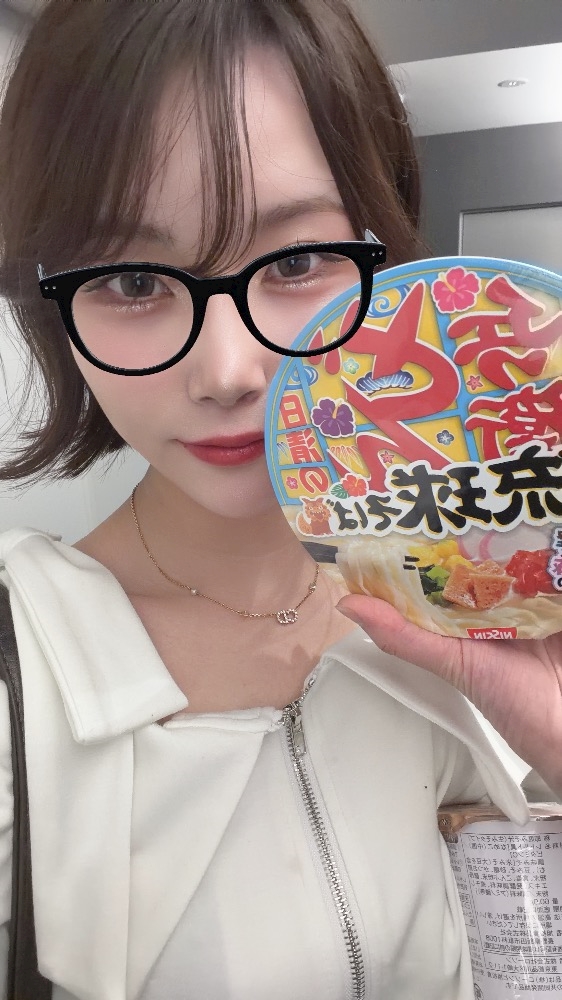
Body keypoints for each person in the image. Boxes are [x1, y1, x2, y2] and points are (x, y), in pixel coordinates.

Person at [0, 1, 559, 998]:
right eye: (131, 281)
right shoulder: (25, 683)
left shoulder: (483, 593)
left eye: (296, 262)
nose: (227, 371)